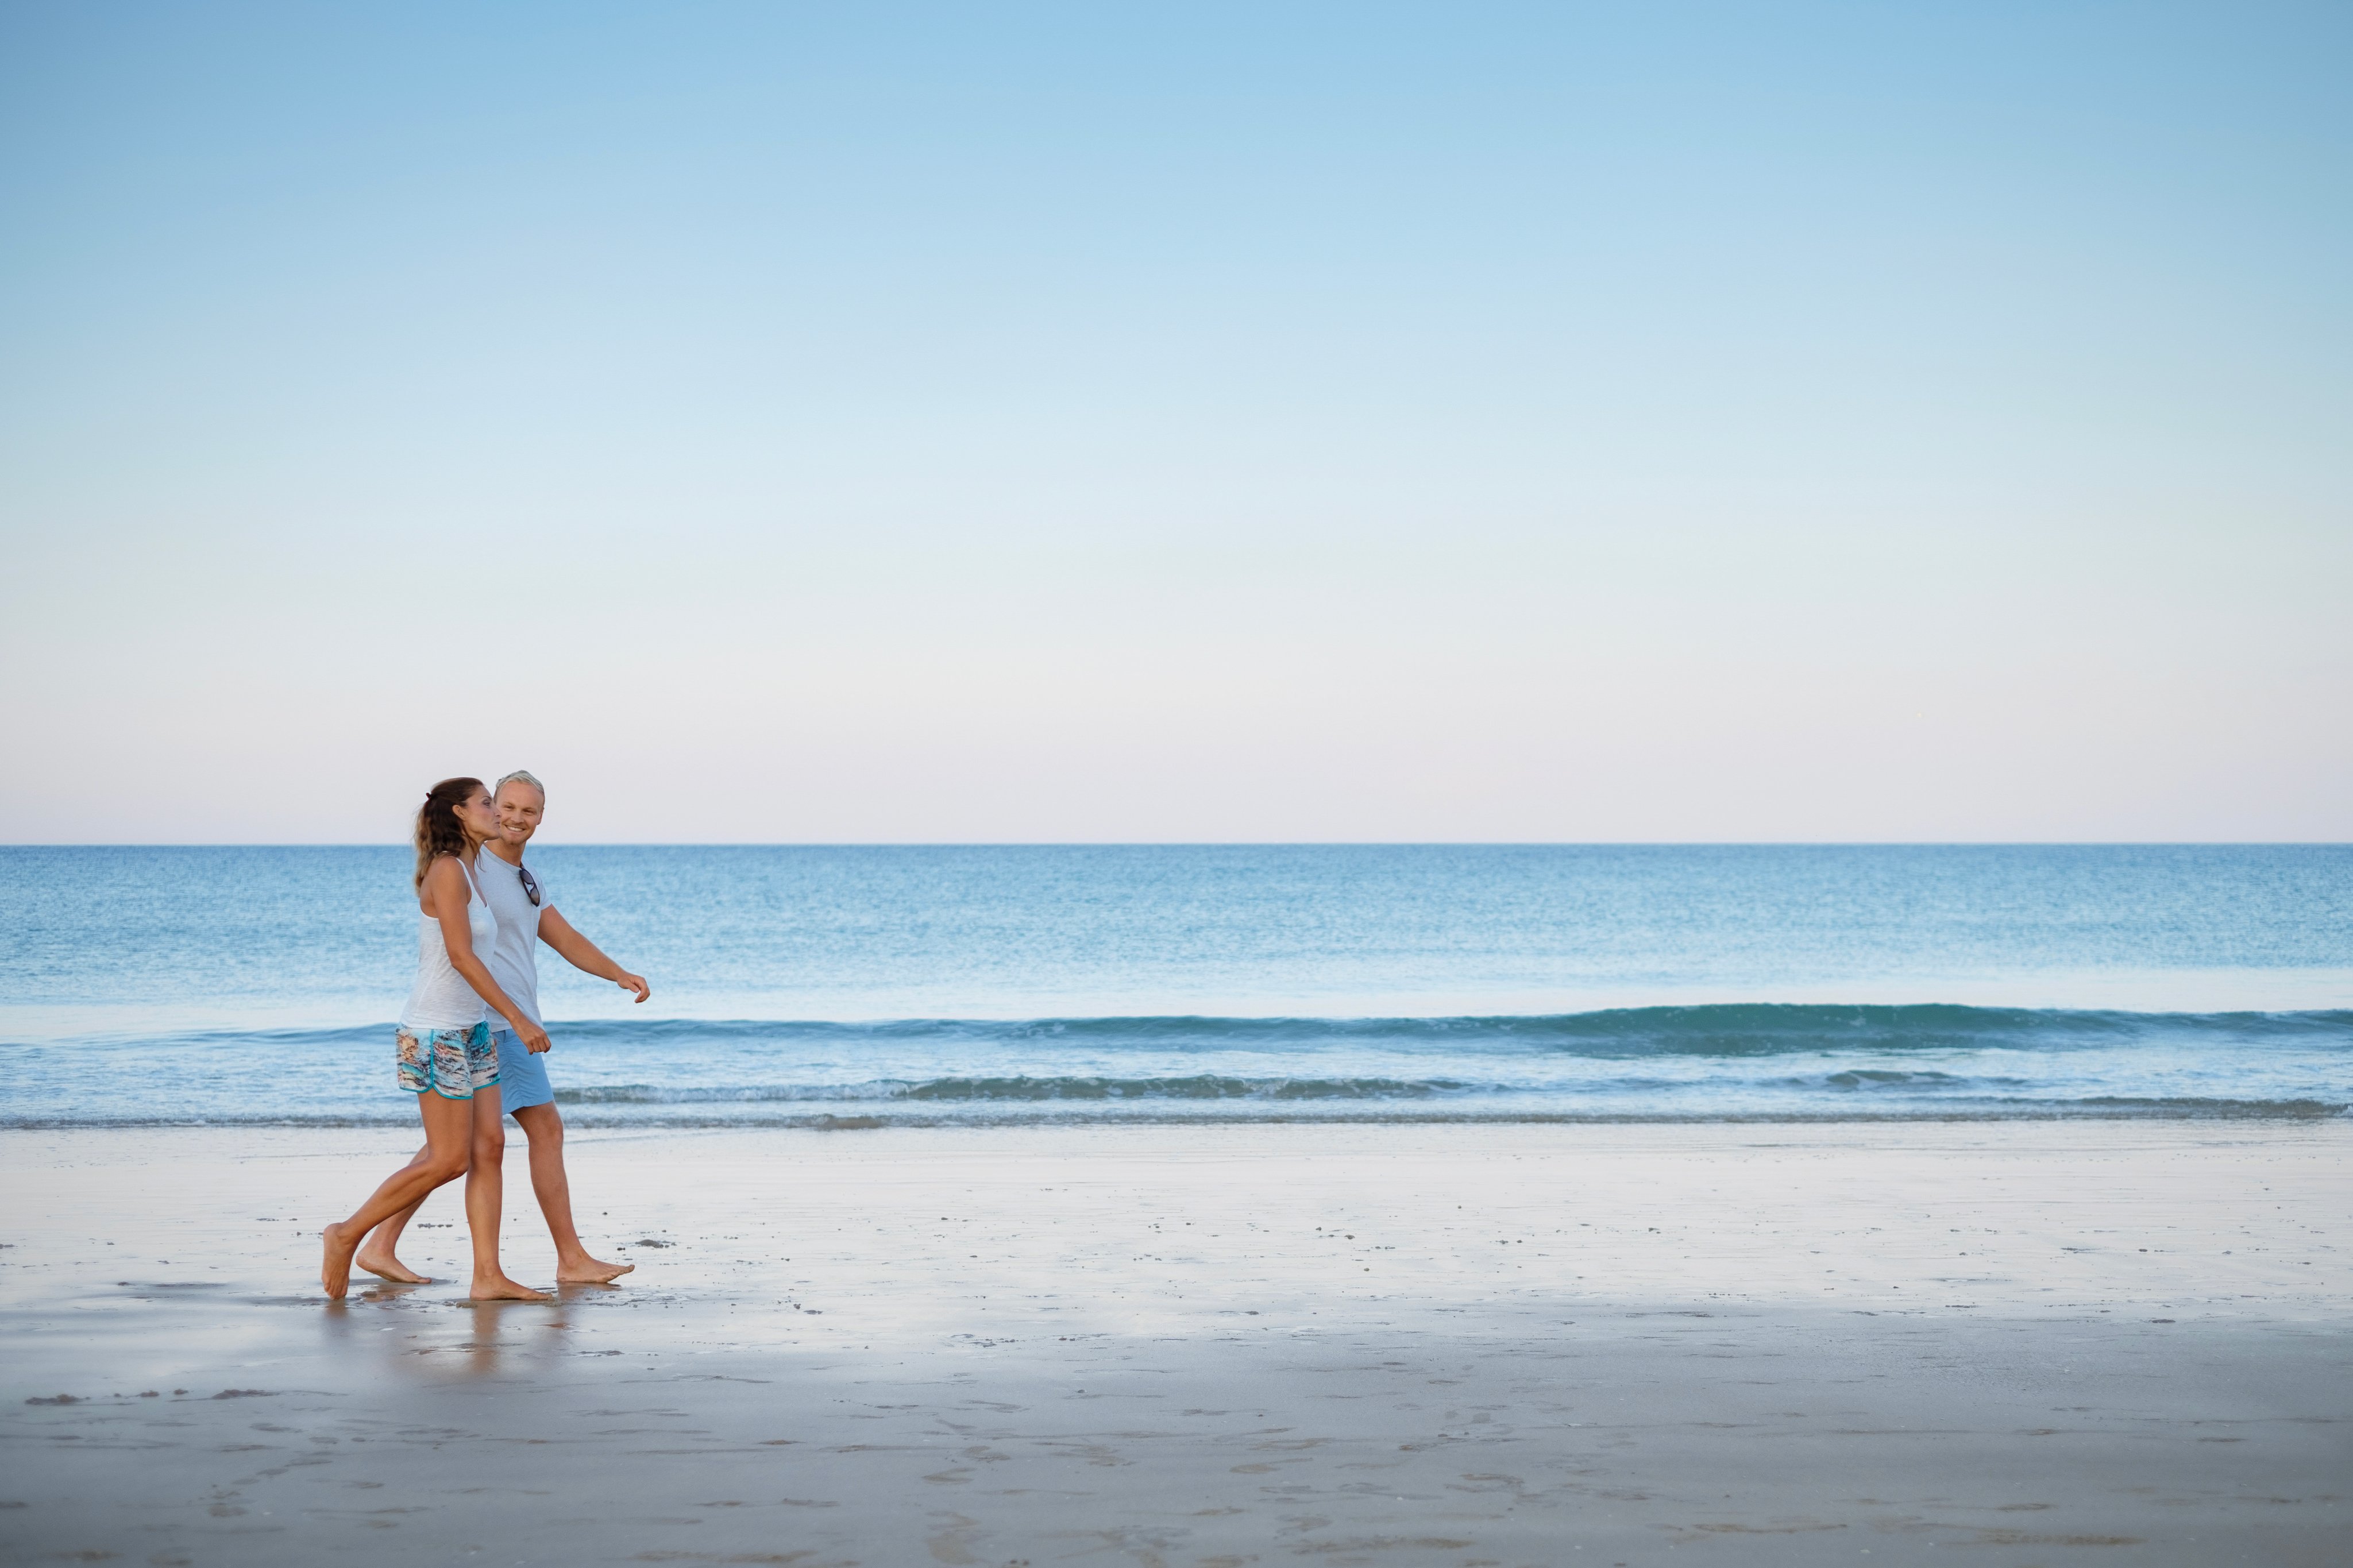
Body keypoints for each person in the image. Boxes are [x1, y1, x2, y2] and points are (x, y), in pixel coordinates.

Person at [355, 770, 650, 1286]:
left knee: (464, 1149)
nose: (514, 818)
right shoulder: (472, 865)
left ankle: (383, 1244)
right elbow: (457, 952)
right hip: (488, 1025)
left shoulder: (523, 877)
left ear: (541, 818)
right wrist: (513, 1016)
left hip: (503, 1026)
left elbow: (563, 937)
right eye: (505, 806)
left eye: (528, 811)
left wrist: (618, 973)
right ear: (483, 812)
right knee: (489, 1144)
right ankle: (566, 1260)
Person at [321, 778, 551, 1302]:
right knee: (450, 1159)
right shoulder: (448, 870)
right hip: (434, 1031)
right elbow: (461, 955)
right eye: (488, 803)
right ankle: (346, 1234)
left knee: (490, 1145)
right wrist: (518, 1019)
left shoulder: (472, 868)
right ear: (459, 813)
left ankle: (488, 1277)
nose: (497, 811)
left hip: (470, 1029)